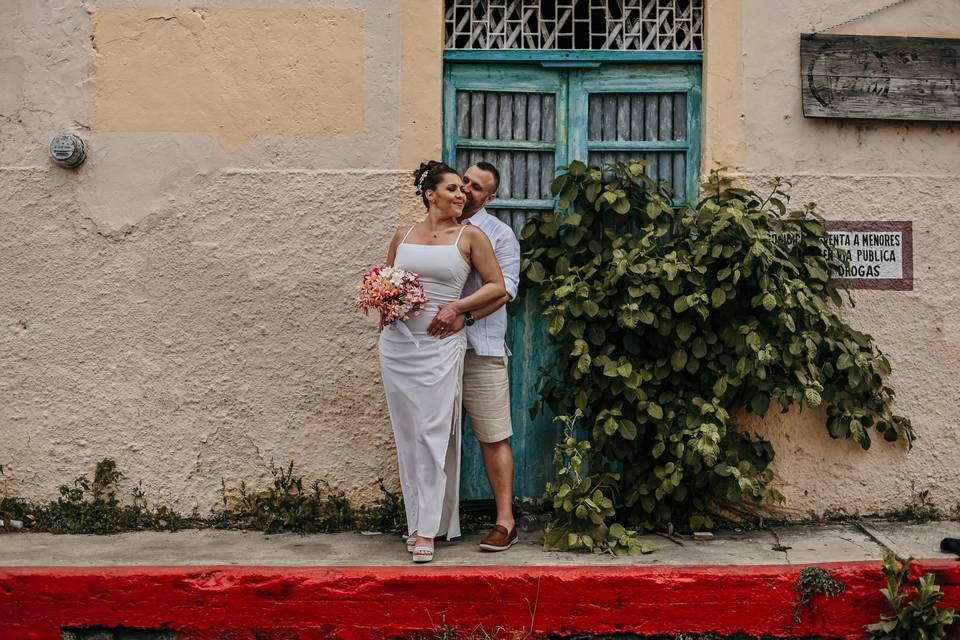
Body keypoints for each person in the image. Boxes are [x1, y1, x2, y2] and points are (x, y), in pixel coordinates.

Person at [378, 160, 506, 563]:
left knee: (434, 434)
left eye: (464, 190)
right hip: (398, 346)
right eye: (452, 188)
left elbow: (498, 288)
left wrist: (457, 309)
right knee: (408, 434)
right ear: (430, 194)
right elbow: (387, 281)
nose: (461, 195)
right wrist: (383, 303)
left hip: (440, 345)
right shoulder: (404, 235)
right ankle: (416, 520)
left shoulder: (471, 237)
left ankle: (430, 529)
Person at [427, 162, 521, 552]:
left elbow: (506, 290)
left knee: (493, 435)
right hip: (433, 349)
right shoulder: (432, 228)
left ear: (489, 197)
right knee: (433, 436)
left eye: (476, 187)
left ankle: (505, 521)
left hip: (480, 348)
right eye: (463, 181)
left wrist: (462, 314)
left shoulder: (499, 234)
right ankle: (431, 520)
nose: (465, 189)